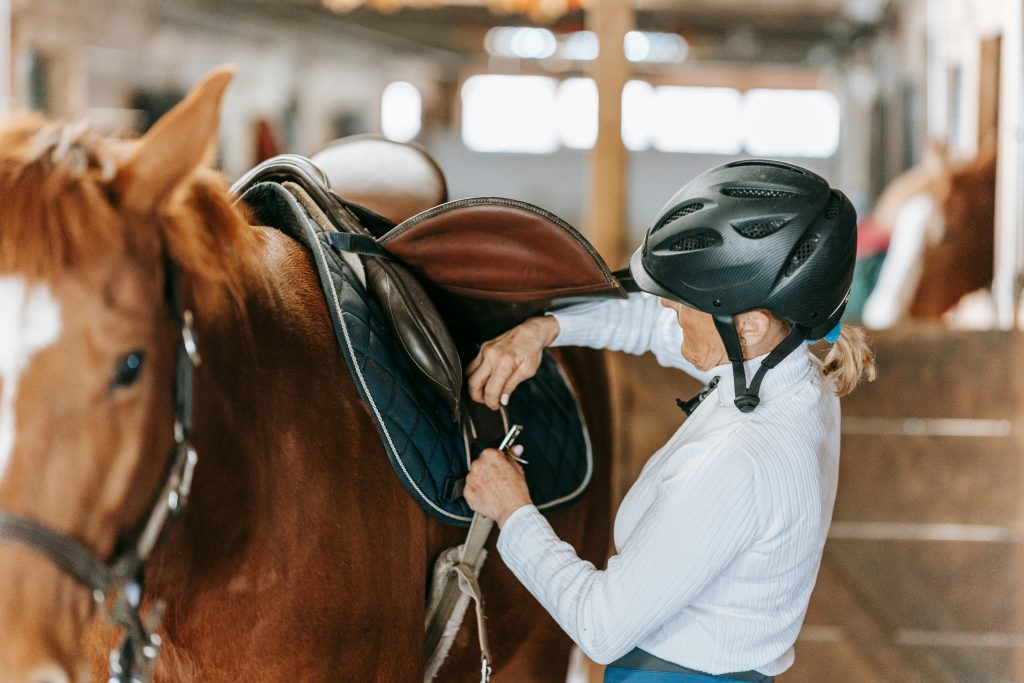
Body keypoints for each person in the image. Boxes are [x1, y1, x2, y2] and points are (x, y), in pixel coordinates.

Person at [462, 160, 877, 682]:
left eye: (686, 303)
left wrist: (511, 508)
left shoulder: (740, 458)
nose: (671, 311)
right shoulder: (794, 375)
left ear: (747, 324)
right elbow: (652, 325)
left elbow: (601, 624)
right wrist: (546, 329)